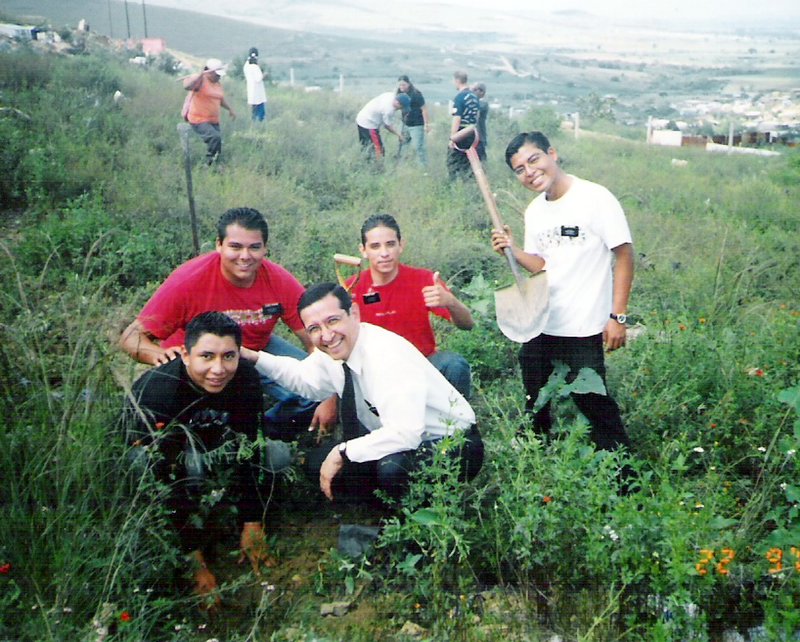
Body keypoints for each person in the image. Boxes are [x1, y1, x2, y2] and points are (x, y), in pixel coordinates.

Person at [241, 283, 484, 505]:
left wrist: (343, 452)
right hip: (399, 438)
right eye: (314, 328)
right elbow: (305, 379)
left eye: (333, 321)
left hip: (452, 444)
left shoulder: (385, 356)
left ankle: (422, 518)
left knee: (392, 468)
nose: (326, 335)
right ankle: (380, 501)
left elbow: (405, 433)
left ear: (354, 313)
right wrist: (255, 358)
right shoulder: (334, 351)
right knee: (317, 464)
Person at [118, 207, 336, 433]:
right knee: (176, 422)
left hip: (255, 351)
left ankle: (262, 432)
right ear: (219, 245)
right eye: (235, 246)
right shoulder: (188, 281)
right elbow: (131, 337)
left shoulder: (279, 280)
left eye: (254, 247)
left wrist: (328, 394)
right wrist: (158, 355)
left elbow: (316, 340)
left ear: (265, 248)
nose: (245, 256)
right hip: (199, 362)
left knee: (317, 389)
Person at [121, 312, 285, 604]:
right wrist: (195, 561)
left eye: (228, 356)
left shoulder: (245, 378)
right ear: (186, 355)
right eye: (206, 356)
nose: (218, 369)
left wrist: (252, 522)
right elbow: (166, 479)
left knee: (277, 455)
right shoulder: (159, 392)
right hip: (165, 459)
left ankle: (229, 508)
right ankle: (192, 541)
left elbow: (252, 446)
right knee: (182, 469)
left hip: (216, 446)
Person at [490, 131, 634, 454]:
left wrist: (618, 316)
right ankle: (536, 443)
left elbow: (624, 255)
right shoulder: (534, 211)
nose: (529, 172)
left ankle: (620, 466)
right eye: (520, 169)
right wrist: (512, 250)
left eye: (534, 160)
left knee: (592, 400)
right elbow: (541, 264)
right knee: (535, 393)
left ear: (552, 154)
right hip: (542, 318)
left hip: (582, 325)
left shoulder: (595, 198)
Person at [347, 213, 474, 398]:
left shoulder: (424, 279)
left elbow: (467, 324)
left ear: (401, 245)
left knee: (454, 364)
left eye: (390, 244)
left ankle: (457, 415)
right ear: (363, 250)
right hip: (376, 374)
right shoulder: (352, 288)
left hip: (422, 366)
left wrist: (451, 302)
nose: (384, 253)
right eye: (375, 246)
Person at [183, 58, 236, 165]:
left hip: (213, 120)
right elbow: (187, 86)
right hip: (199, 119)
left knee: (218, 141)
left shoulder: (217, 84)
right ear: (210, 72)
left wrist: (230, 109)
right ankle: (209, 164)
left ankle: (216, 163)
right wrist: (200, 75)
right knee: (214, 138)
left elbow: (220, 99)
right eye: (217, 75)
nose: (219, 77)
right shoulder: (200, 81)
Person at [355, 91, 411, 161]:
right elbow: (387, 126)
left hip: (362, 117)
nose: (401, 109)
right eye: (401, 107)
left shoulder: (390, 95)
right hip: (368, 124)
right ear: (397, 103)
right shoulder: (388, 110)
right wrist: (399, 135)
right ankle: (378, 165)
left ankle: (365, 161)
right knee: (378, 149)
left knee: (366, 144)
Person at [446, 71, 479, 180]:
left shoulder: (460, 97)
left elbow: (457, 118)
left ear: (457, 81)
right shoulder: (474, 97)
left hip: (461, 132)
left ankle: (454, 186)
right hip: (472, 133)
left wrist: (452, 138)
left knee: (453, 163)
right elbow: (477, 115)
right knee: (468, 163)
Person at [396, 75, 430, 168]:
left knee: (418, 147)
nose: (402, 87)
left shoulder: (416, 94)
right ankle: (401, 167)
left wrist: (426, 124)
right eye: (400, 85)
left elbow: (424, 109)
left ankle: (423, 168)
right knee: (402, 145)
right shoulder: (399, 93)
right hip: (405, 124)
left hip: (416, 125)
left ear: (408, 84)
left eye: (403, 84)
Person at [243, 47, 267, 123]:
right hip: (258, 92)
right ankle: (260, 123)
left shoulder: (246, 66)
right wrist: (264, 75)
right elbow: (258, 78)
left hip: (250, 89)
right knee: (260, 111)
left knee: (253, 110)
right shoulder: (255, 67)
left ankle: (253, 123)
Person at [471, 82, 489, 161]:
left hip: (479, 139)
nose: (472, 92)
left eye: (475, 90)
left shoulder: (483, 104)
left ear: (482, 92)